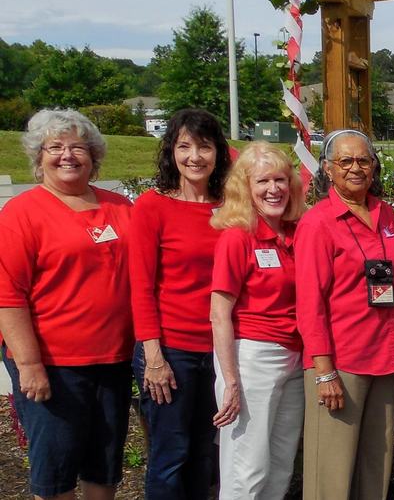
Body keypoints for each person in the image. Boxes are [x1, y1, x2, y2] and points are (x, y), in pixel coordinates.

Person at [0, 109, 133, 500]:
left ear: (93, 157)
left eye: (78, 147)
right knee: (55, 471)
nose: (67, 155)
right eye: (55, 147)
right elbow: (8, 296)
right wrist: (28, 365)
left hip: (114, 360)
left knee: (104, 466)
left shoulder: (120, 206)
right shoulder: (22, 213)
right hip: (54, 365)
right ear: (39, 159)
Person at [295, 129, 394, 500]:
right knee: (332, 469)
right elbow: (310, 304)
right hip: (342, 362)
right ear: (328, 168)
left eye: (364, 160)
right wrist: (323, 370)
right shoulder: (318, 223)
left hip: (386, 357)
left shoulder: (386, 213)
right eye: (346, 161)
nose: (356, 168)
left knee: (377, 463)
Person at [129, 108, 232, 500]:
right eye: (184, 146)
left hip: (220, 350)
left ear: (218, 152)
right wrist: (153, 356)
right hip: (172, 350)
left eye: (204, 147)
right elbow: (140, 288)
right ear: (171, 152)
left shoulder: (230, 207)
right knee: (171, 453)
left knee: (205, 452)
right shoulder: (152, 207)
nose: (195, 157)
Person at [209, 142, 307, 499]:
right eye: (263, 181)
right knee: (246, 468)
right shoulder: (238, 237)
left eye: (280, 180)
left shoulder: (295, 235)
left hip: (294, 356)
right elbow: (219, 313)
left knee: (280, 463)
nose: (273, 189)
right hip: (254, 357)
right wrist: (231, 379)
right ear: (245, 188)